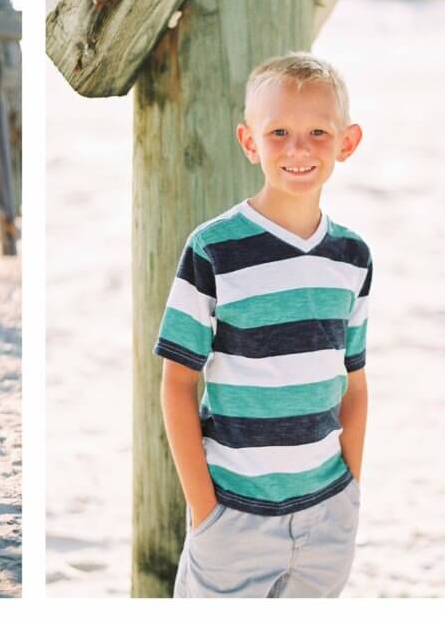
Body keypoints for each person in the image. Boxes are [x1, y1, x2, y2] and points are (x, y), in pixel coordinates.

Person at [154, 52, 371, 597]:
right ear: (250, 142)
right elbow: (178, 385)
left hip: (327, 517)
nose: (298, 148)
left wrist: (350, 490)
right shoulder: (213, 249)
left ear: (347, 142)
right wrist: (206, 511)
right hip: (232, 517)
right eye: (278, 132)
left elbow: (355, 382)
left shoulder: (352, 256)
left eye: (318, 132)